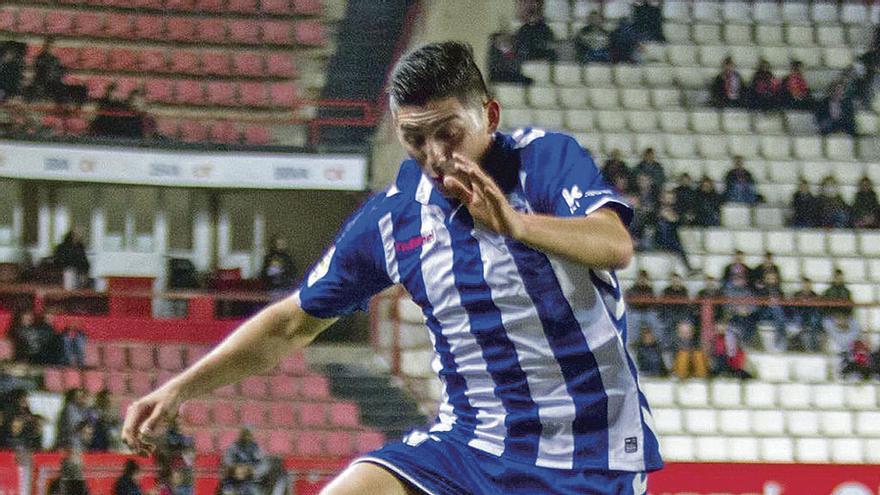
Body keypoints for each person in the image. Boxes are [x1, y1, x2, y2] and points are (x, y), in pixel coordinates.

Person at [122, 41, 661, 495]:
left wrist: (517, 225)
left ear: (489, 116)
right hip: (468, 448)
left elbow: (613, 244)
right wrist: (179, 389)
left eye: (447, 132)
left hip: (592, 456)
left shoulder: (543, 160)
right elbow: (292, 322)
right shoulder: (394, 218)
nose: (433, 153)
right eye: (414, 137)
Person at [789, 277, 824, 352]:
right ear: (801, 286)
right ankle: (796, 343)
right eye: (804, 285)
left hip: (810, 316)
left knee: (814, 319)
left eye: (808, 285)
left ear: (811, 286)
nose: (806, 287)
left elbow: (818, 309)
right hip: (799, 315)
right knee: (797, 319)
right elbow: (792, 308)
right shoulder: (796, 295)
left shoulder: (815, 295)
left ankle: (813, 345)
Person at [261, 235, 297, 300]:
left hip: (285, 287)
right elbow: (263, 273)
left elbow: (293, 272)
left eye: (282, 244)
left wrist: (282, 269)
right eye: (278, 244)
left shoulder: (288, 258)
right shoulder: (269, 257)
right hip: (272, 288)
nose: (280, 246)